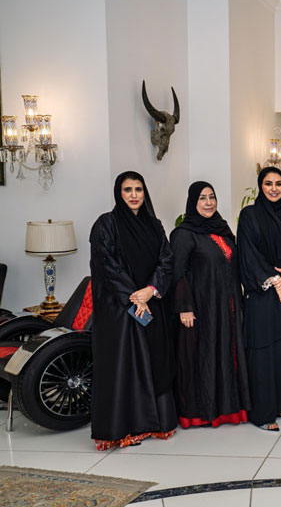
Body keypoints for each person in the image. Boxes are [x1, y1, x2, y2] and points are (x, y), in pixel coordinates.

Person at [89, 171, 176, 450]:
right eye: (128, 190)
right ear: (119, 193)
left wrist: (150, 290)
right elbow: (106, 266)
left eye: (138, 189)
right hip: (119, 310)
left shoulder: (154, 224)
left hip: (152, 303)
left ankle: (156, 423)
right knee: (126, 365)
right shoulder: (106, 224)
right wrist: (134, 297)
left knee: (154, 360)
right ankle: (125, 428)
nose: (134, 195)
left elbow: (167, 260)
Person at [170, 181, 251, 428]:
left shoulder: (223, 230)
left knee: (226, 353)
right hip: (201, 307)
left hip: (227, 306)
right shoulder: (184, 234)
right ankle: (200, 412)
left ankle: (229, 409)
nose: (209, 203)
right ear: (193, 202)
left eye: (212, 197)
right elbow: (178, 272)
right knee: (204, 356)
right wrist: (185, 306)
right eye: (202, 198)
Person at [237, 167, 281, 431]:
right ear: (260, 186)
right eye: (268, 183)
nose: (274, 188)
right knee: (264, 350)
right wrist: (275, 281)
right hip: (263, 294)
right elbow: (248, 254)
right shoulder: (250, 215)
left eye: (279, 183)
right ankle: (264, 412)